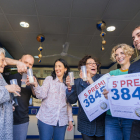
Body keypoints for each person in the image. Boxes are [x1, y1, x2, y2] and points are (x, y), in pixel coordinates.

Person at [27, 58, 73, 140]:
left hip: (61, 120)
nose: (57, 68)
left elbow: (68, 103)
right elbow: (41, 95)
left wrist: (70, 120)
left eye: (59, 66)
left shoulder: (68, 84)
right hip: (46, 119)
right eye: (55, 66)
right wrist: (36, 84)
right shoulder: (49, 79)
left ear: (65, 69)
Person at [66, 55, 105, 140]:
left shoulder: (102, 79)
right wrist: (69, 88)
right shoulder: (77, 82)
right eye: (90, 63)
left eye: (95, 63)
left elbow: (103, 97)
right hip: (85, 124)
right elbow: (72, 100)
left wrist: (90, 80)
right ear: (83, 67)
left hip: (101, 124)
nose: (93, 65)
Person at [103, 44, 134, 140]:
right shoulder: (112, 74)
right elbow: (105, 93)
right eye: (116, 55)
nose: (119, 56)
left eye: (122, 53)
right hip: (112, 117)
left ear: (129, 55)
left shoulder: (136, 72)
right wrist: (106, 94)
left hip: (130, 117)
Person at [4, 54, 36, 140]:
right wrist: (17, 63)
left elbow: (36, 95)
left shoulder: (32, 77)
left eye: (30, 64)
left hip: (22, 119)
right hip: (6, 118)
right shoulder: (11, 72)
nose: (28, 66)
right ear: (20, 61)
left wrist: (33, 85)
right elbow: (3, 60)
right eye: (26, 62)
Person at [0, 48, 21, 140]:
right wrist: (7, 88)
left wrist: (8, 105)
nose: (5, 64)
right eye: (2, 60)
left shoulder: (0, 76)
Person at [129, 25, 140, 140]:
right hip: (137, 125)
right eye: (133, 38)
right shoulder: (133, 67)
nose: (135, 40)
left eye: (139, 35)